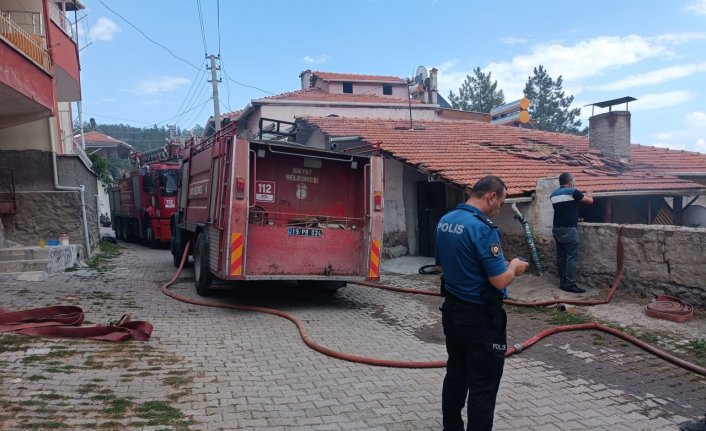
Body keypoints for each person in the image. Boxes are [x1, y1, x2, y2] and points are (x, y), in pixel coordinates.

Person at [435, 175, 530, 431]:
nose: (500, 208)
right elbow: (499, 281)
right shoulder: (483, 228)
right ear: (491, 196)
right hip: (480, 319)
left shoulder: (446, 220)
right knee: (483, 386)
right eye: (501, 201)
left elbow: (443, 264)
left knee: (456, 376)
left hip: (453, 312)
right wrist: (513, 267)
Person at [550, 173, 593, 293]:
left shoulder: (553, 194)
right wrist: (589, 193)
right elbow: (589, 201)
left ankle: (563, 282)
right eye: (574, 180)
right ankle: (570, 284)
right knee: (571, 257)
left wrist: (575, 218)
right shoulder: (573, 191)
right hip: (568, 230)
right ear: (570, 182)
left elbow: (564, 209)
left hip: (557, 229)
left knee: (561, 257)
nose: (575, 182)